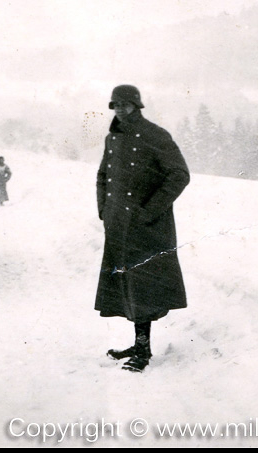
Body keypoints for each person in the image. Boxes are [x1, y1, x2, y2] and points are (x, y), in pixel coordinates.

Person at [95, 84, 190, 372]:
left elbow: (179, 175)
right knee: (127, 286)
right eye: (115, 105)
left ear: (137, 106)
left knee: (143, 288)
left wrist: (150, 211)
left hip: (146, 228)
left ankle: (144, 351)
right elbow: (103, 176)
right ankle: (138, 345)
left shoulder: (155, 135)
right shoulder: (113, 138)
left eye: (125, 104)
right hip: (118, 226)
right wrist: (104, 210)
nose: (120, 110)